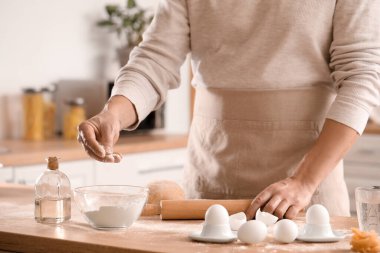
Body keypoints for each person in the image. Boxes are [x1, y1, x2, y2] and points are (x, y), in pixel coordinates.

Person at [78, 0, 380, 219]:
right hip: (209, 180)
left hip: (307, 191)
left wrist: (304, 181)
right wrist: (113, 114)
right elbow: (155, 60)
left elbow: (362, 77)